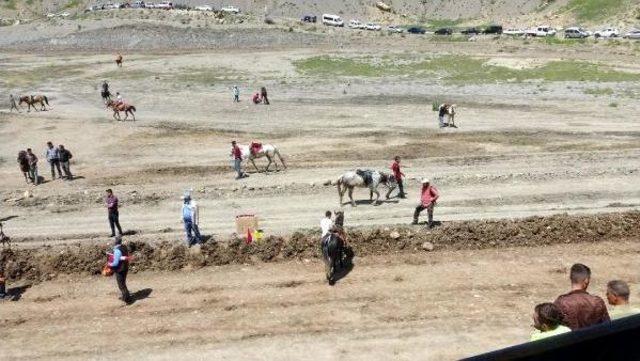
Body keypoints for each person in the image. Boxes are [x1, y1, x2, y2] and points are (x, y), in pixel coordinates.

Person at [554, 263, 610, 330]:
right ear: (586, 280)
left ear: (571, 278)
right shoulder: (597, 302)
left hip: (571, 340)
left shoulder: (560, 302)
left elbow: (552, 328)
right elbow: (608, 328)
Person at [109, 236, 131, 304]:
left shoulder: (117, 250)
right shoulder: (124, 247)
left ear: (115, 242)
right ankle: (126, 296)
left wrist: (109, 264)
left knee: (121, 285)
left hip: (120, 269)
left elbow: (115, 263)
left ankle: (127, 299)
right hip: (125, 267)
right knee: (123, 283)